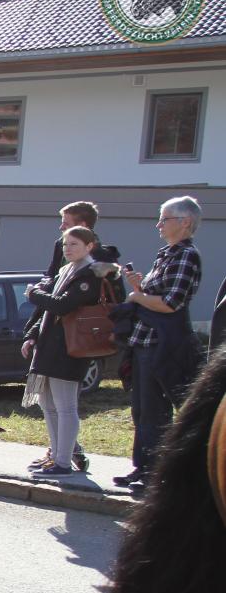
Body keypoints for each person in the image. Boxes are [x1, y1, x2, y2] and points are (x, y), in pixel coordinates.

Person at [113, 196, 205, 491]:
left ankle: (156, 475)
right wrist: (138, 287)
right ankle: (142, 467)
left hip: (162, 345)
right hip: (144, 341)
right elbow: (155, 298)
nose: (159, 225)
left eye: (164, 219)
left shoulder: (186, 255)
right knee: (141, 410)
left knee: (156, 411)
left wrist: (136, 296)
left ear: (185, 222)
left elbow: (170, 303)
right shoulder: (167, 254)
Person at [19, 227, 123, 477]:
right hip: (50, 345)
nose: (67, 249)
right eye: (65, 244)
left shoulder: (90, 274)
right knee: (48, 404)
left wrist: (34, 293)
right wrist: (32, 335)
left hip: (70, 347)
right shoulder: (66, 271)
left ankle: (63, 462)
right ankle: (55, 456)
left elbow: (63, 305)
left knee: (65, 406)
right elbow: (48, 312)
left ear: (89, 247)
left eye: (74, 244)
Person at [43, 201, 120, 282]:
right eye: (65, 245)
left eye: (66, 224)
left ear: (81, 226)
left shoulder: (104, 257)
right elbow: (51, 276)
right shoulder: (60, 244)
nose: (61, 227)